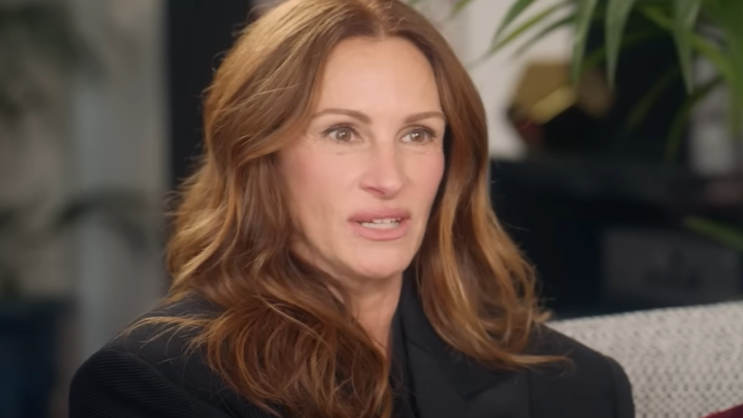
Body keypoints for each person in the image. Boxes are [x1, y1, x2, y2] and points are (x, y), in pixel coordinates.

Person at [69, 0, 634, 417]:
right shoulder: (153, 385)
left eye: (417, 134)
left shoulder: (580, 387)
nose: (389, 179)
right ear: (259, 156)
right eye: (342, 132)